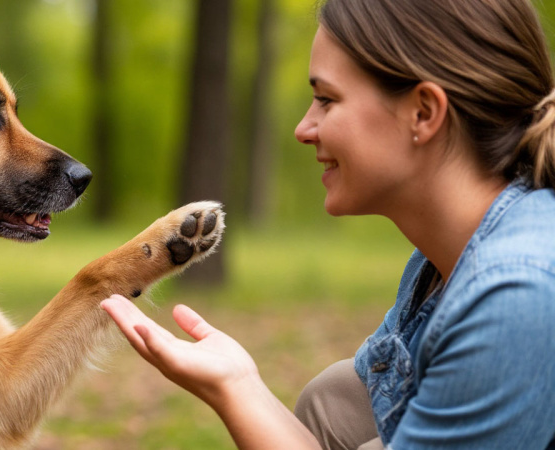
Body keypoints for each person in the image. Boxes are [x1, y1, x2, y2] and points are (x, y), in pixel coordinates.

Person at [100, 0, 555, 448]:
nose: (303, 128)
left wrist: (233, 391)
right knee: (333, 401)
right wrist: (238, 382)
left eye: (326, 99)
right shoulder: (438, 263)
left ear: (423, 112)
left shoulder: (516, 297)